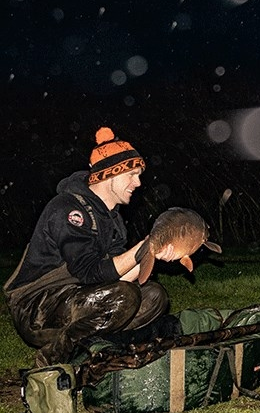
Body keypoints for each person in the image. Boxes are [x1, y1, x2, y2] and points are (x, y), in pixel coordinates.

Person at [3, 127, 178, 367]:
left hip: (79, 295)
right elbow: (88, 272)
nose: (138, 183)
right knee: (123, 297)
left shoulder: (113, 220)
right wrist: (143, 247)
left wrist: (152, 255)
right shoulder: (67, 209)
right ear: (110, 173)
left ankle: (101, 352)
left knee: (154, 296)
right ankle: (52, 358)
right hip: (37, 306)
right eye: (132, 174)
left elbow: (116, 275)